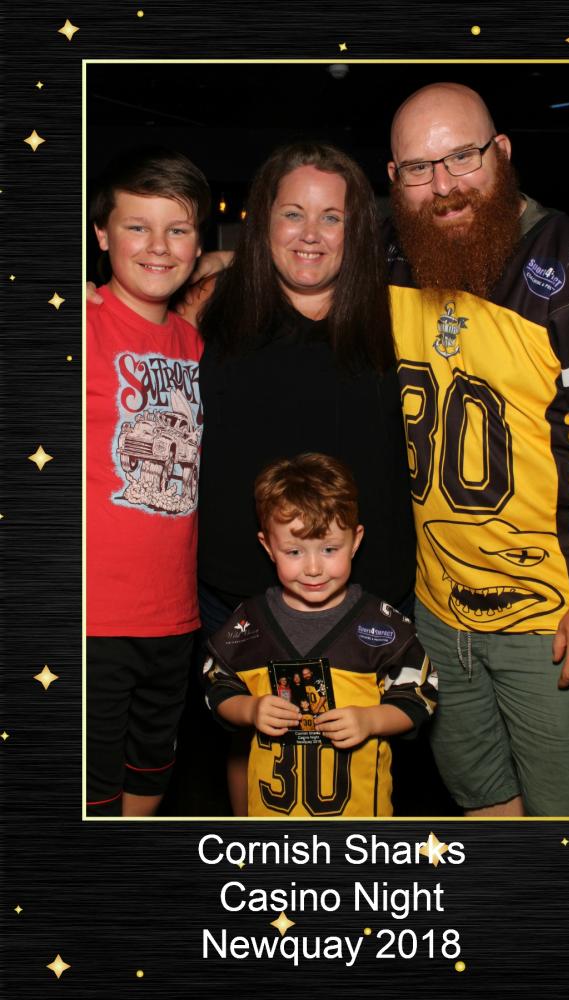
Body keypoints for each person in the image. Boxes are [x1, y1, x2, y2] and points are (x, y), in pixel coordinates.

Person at [173, 141, 419, 815]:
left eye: (331, 217)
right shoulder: (214, 312)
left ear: (356, 229)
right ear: (262, 220)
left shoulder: (395, 317)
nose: (310, 233)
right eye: (292, 213)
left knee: (357, 761)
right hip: (239, 588)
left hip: (367, 594)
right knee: (251, 745)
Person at [386, 82, 569, 816]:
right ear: (395, 178)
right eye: (419, 167)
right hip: (438, 617)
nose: (444, 185)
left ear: (500, 152)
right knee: (486, 811)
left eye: (462, 157)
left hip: (550, 621)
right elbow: (297, 266)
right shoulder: (392, 259)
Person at [202, 453, 437, 817]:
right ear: (268, 547)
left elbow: (421, 696)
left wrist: (371, 720)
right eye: (294, 551)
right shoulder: (248, 623)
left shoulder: (382, 626)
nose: (313, 568)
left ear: (355, 541)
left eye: (329, 549)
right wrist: (250, 709)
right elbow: (217, 687)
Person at [86, 147, 211, 816]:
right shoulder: (77, 323)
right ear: (101, 235)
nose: (158, 246)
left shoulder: (195, 345)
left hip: (174, 615)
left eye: (178, 229)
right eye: (137, 227)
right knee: (90, 794)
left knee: (151, 773)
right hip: (91, 619)